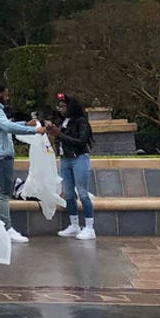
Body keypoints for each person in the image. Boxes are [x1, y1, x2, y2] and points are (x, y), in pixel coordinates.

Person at [0, 84, 45, 243]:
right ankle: (7, 229)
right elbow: (7, 126)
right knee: (3, 194)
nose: (7, 98)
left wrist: (25, 124)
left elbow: (4, 124)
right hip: (0, 158)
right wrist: (34, 130)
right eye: (6, 95)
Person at [48, 94, 96, 240]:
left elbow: (81, 141)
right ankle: (74, 224)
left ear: (71, 107)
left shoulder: (81, 121)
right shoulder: (64, 122)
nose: (61, 109)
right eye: (59, 106)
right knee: (68, 194)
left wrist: (60, 135)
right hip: (65, 159)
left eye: (63, 106)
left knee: (82, 193)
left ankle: (89, 227)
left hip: (79, 158)